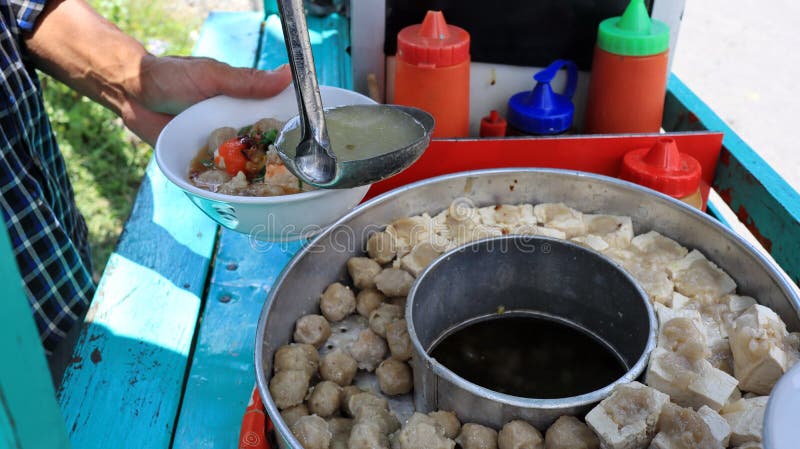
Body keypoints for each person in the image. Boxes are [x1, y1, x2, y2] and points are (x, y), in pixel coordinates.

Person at [0, 0, 292, 358]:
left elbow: (21, 7)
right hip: (13, 352)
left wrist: (134, 80)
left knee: (87, 365)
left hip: (51, 251)